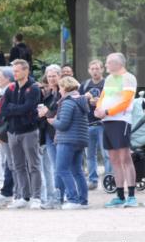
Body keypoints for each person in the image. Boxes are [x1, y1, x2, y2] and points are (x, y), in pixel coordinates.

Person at [97, 53, 138, 208]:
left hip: (121, 121)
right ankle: (120, 196)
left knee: (125, 158)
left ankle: (132, 196)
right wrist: (98, 109)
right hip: (107, 121)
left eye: (108, 63)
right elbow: (103, 97)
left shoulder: (128, 78)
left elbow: (126, 101)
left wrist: (107, 112)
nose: (106, 65)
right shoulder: (109, 79)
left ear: (117, 64)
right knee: (114, 160)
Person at [2, 59, 43, 209]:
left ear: (26, 71)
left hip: (29, 131)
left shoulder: (34, 88)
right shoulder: (10, 88)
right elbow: (4, 109)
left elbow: (28, 108)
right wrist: (17, 109)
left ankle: (36, 197)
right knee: (18, 166)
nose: (14, 74)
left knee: (34, 165)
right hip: (13, 132)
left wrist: (13, 108)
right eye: (14, 71)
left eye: (17, 71)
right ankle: (24, 197)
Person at [50, 76, 90, 209]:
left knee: (61, 169)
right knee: (77, 171)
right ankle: (83, 201)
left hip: (67, 140)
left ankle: (73, 199)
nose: (59, 90)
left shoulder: (67, 102)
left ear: (66, 88)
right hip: (79, 140)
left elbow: (63, 124)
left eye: (60, 87)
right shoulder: (80, 100)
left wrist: (53, 121)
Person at [80, 59, 110, 190]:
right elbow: (78, 102)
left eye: (97, 68)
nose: (95, 71)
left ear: (102, 69)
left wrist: (100, 102)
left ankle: (109, 181)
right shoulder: (85, 84)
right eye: (92, 69)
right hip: (88, 123)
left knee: (106, 154)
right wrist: (86, 99)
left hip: (103, 124)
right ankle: (92, 180)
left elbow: (114, 102)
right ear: (89, 71)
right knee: (90, 155)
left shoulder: (107, 84)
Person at [37, 65, 62, 208]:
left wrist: (46, 112)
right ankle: (55, 197)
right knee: (53, 166)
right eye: (49, 76)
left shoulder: (62, 92)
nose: (51, 79)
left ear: (59, 76)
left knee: (60, 166)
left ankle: (61, 197)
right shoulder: (49, 93)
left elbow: (60, 112)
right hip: (48, 132)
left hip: (59, 133)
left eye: (54, 76)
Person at [0, 68, 16, 204]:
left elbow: (3, 113)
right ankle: (7, 191)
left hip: (7, 131)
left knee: (12, 162)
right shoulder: (3, 92)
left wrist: (1, 131)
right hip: (3, 131)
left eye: (0, 77)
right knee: (9, 162)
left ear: (7, 78)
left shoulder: (9, 91)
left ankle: (12, 192)